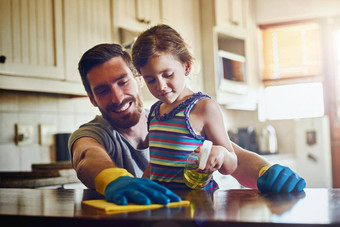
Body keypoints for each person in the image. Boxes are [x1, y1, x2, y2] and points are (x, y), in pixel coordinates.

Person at [69, 41, 305, 206]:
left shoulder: (168, 116)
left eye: (122, 82)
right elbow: (86, 156)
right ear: (92, 98)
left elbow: (231, 154)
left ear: (138, 80)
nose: (118, 97)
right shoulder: (93, 133)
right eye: (102, 90)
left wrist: (266, 171)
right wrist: (112, 179)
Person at [131, 24, 237, 190]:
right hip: (164, 205)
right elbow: (157, 164)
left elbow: (231, 165)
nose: (160, 86)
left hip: (197, 206)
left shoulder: (203, 107)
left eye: (168, 75)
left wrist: (221, 153)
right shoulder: (154, 112)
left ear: (186, 67)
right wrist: (140, 186)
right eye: (150, 80)